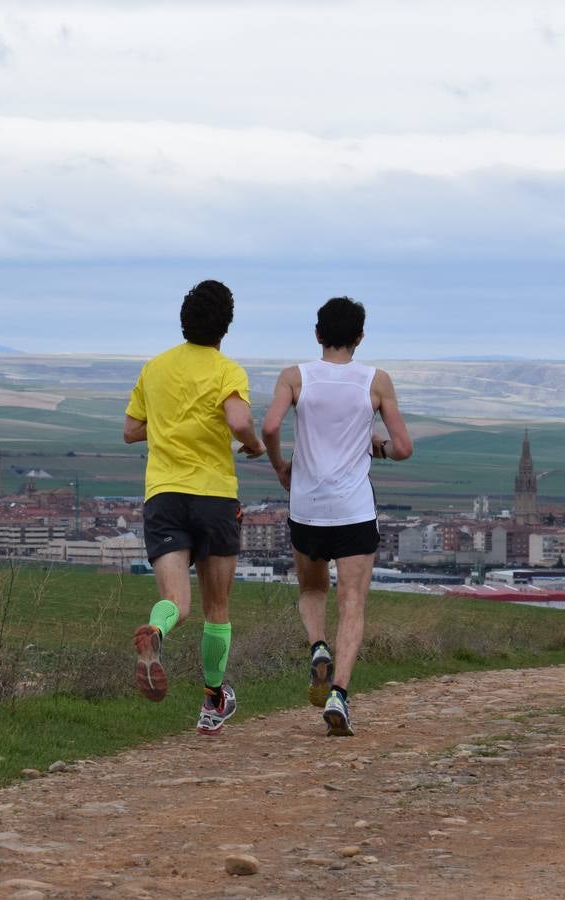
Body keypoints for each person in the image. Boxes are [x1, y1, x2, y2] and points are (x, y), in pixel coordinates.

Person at [260, 297, 413, 736]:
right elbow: (403, 448)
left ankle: (317, 647)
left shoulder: (295, 377)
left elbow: (269, 427)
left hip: (306, 507)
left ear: (317, 334)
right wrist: (376, 445)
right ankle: (339, 695)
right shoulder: (376, 381)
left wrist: (281, 467)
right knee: (353, 602)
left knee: (311, 590)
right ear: (360, 337)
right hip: (354, 510)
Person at [124, 280, 264, 735]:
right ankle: (211, 703)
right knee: (216, 608)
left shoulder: (155, 368)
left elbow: (130, 429)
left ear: (183, 319)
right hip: (213, 495)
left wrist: (168, 424)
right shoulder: (227, 370)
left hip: (163, 494)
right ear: (226, 325)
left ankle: (156, 633)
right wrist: (254, 445)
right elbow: (239, 420)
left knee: (175, 602)